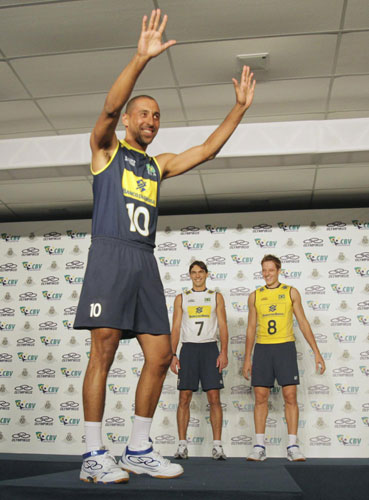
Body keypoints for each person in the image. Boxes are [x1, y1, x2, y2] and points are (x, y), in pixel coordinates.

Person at [73, 9, 255, 484]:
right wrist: (140, 58)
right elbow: (108, 110)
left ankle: (137, 448)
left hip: (143, 261)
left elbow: (207, 150)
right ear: (129, 119)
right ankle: (94, 454)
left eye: (157, 116)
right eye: (145, 113)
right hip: (110, 255)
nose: (151, 121)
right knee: (104, 350)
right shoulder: (106, 150)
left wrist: (238, 109)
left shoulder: (158, 167)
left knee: (157, 356)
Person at [242, 254, 326, 462]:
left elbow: (304, 323)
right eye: (264, 270)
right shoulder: (255, 296)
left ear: (279, 270)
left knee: (290, 397)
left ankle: (292, 446)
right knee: (261, 398)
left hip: (285, 348)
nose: (267, 274)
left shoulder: (290, 292)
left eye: (270, 270)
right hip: (262, 349)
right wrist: (247, 358)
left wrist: (316, 351)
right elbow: (251, 327)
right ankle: (259, 446)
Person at [170, 261, 229, 460]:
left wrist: (224, 352)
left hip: (210, 349)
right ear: (190, 275)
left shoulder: (215, 296)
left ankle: (218, 446)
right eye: (193, 273)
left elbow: (223, 326)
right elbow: (176, 328)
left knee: (214, 398)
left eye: (200, 272)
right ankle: (181, 445)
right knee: (184, 397)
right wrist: (173, 354)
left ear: (206, 274)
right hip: (189, 350)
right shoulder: (181, 298)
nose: (197, 276)